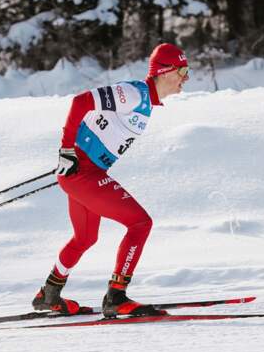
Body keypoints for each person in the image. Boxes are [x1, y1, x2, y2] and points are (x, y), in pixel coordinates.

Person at [32, 43, 189, 318]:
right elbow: (80, 102)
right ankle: (116, 296)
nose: (186, 78)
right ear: (165, 71)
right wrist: (67, 150)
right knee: (140, 223)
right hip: (82, 172)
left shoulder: (146, 102)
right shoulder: (133, 93)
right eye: (183, 70)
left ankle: (49, 293)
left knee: (85, 237)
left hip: (83, 173)